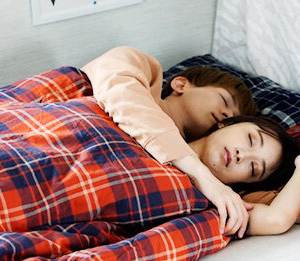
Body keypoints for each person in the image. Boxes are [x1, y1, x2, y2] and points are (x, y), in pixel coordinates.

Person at [82, 46, 259, 237]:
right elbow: (119, 91)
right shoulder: (141, 67)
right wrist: (202, 175)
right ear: (181, 85)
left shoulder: (186, 170)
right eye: (224, 100)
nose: (226, 115)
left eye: (232, 118)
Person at [186, 115, 300, 237]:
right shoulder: (169, 126)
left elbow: (277, 218)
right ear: (228, 122)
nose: (242, 155)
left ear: (243, 184)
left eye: (253, 168)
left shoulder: (225, 205)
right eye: (250, 139)